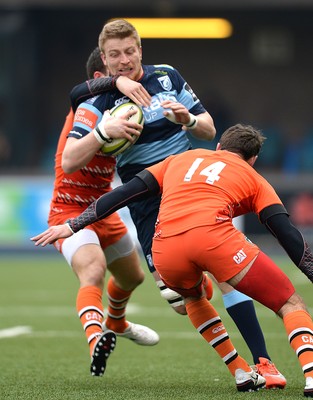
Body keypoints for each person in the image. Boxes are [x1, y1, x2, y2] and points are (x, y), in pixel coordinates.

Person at [66, 19, 286, 388]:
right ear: (104, 58)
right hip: (146, 201)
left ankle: (260, 366)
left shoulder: (167, 77)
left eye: (130, 51)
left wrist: (187, 120)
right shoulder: (96, 100)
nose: (124, 60)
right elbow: (70, 159)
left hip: (190, 186)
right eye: (115, 55)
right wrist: (105, 133)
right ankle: (204, 293)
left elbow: (209, 129)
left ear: (140, 51)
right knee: (183, 300)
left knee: (228, 276)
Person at [31, 124, 313, 396]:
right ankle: (310, 375)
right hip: (215, 240)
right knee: (290, 303)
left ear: (218, 147)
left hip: (165, 248)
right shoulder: (254, 178)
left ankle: (240, 370)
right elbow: (287, 235)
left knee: (193, 298)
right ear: (253, 160)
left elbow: (124, 193)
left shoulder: (179, 159)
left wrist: (74, 224)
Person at [45, 47, 159, 378]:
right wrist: (101, 132)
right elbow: (70, 156)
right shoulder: (86, 108)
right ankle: (96, 340)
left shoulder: (126, 110)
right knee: (93, 270)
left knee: (133, 277)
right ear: (102, 78)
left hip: (102, 208)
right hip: (67, 209)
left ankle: (116, 322)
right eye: (122, 79)